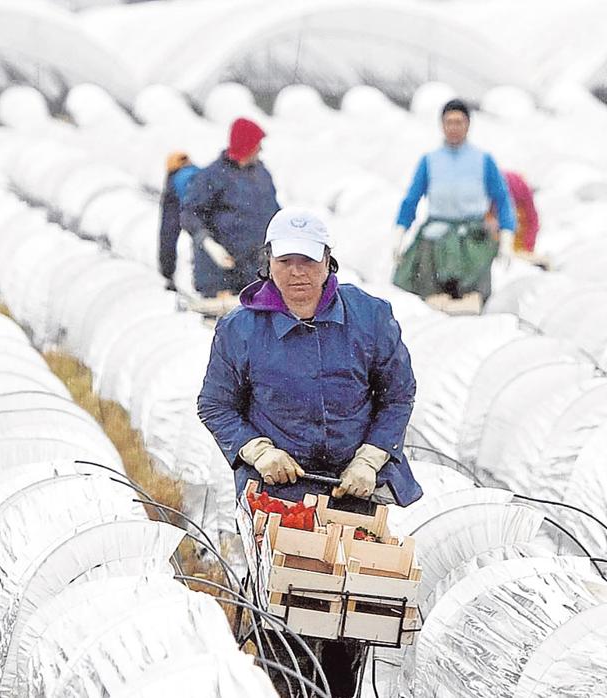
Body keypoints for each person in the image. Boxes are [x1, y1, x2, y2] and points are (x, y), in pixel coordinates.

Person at [198, 208, 422, 698]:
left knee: (349, 622)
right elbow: (215, 403)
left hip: (353, 490)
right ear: (269, 265)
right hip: (280, 495)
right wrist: (258, 452)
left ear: (328, 262)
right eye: (285, 262)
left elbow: (397, 394)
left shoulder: (370, 317)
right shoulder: (241, 330)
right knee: (287, 619)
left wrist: (371, 458)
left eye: (308, 262)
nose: (297, 274)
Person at [393, 99, 517, 303]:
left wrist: (506, 238)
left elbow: (503, 200)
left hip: (473, 240)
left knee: (472, 297)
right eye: (449, 122)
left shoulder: (483, 160)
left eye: (458, 122)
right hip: (436, 239)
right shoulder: (430, 161)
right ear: (442, 125)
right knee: (428, 295)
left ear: (468, 124)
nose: (453, 128)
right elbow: (411, 200)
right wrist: (399, 232)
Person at [179, 117, 280, 298]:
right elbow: (190, 213)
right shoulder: (212, 177)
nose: (261, 149)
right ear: (246, 145)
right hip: (221, 273)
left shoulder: (261, 174)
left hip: (256, 271)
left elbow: (272, 209)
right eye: (257, 144)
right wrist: (208, 243)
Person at [158, 151, 200, 290]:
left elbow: (168, 236)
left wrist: (167, 272)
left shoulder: (173, 185)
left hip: (185, 210)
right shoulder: (200, 175)